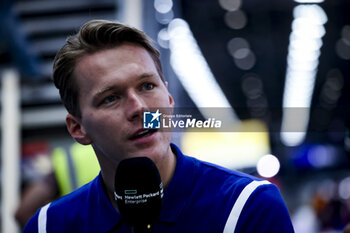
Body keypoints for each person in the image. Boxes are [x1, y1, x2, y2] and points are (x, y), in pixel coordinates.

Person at [24, 19, 295, 232]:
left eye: (147, 86)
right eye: (110, 98)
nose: (140, 108)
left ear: (169, 98)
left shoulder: (248, 207)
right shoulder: (48, 227)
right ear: (77, 129)